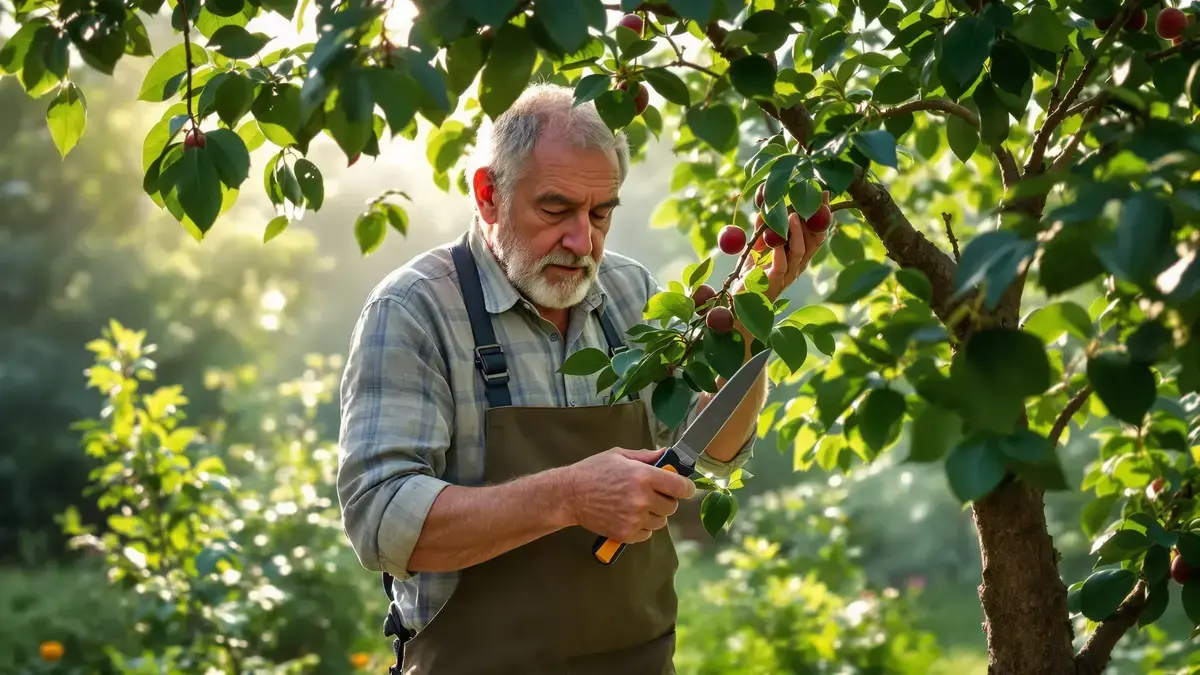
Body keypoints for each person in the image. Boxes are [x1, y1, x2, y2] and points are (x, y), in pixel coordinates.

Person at [336, 83, 828, 674]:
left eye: (600, 214)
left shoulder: (630, 293)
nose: (581, 241)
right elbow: (382, 522)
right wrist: (569, 496)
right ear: (489, 194)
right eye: (555, 209)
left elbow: (712, 457)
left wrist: (753, 311)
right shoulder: (415, 309)